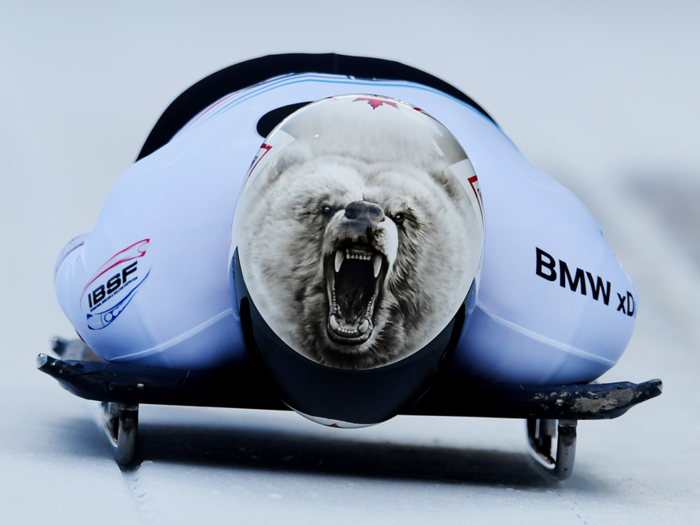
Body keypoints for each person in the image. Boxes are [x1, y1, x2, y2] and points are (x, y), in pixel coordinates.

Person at [55, 54, 637, 392]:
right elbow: (84, 267)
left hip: (448, 124)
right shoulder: (162, 272)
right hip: (225, 115)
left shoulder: (554, 306)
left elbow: (77, 264)